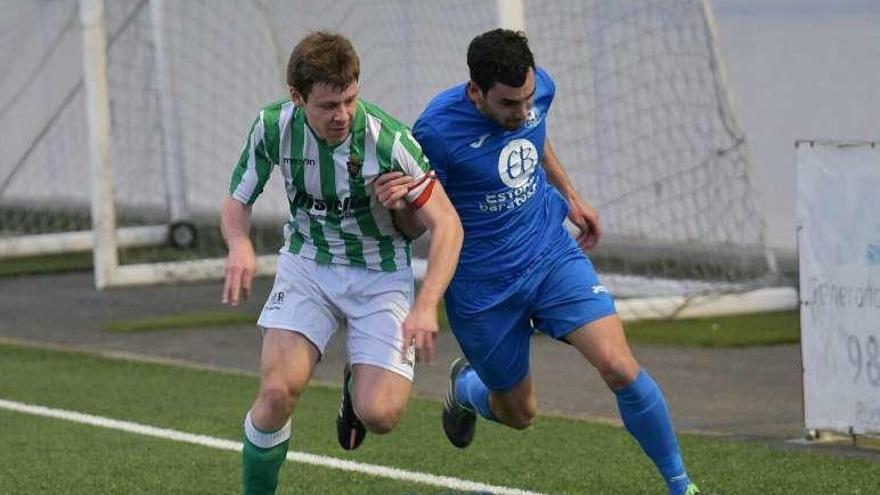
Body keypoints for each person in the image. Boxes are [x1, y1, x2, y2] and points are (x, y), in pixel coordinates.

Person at [375, 29, 706, 495]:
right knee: (520, 414)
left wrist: (570, 194)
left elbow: (536, 133)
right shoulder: (435, 133)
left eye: (529, 97)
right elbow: (417, 226)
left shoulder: (537, 91)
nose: (523, 110)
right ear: (475, 92)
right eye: (510, 103)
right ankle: (466, 390)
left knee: (618, 365)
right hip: (483, 289)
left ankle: (681, 485)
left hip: (549, 254)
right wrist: (400, 202)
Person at [221, 31, 463, 495]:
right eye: (329, 105)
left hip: (379, 273)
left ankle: (356, 385)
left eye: (350, 100)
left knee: (382, 415)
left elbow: (448, 225)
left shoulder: (388, 139)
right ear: (297, 98)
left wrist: (428, 303)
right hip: (308, 264)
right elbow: (237, 201)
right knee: (276, 394)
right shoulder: (272, 127)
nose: (343, 115)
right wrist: (239, 243)